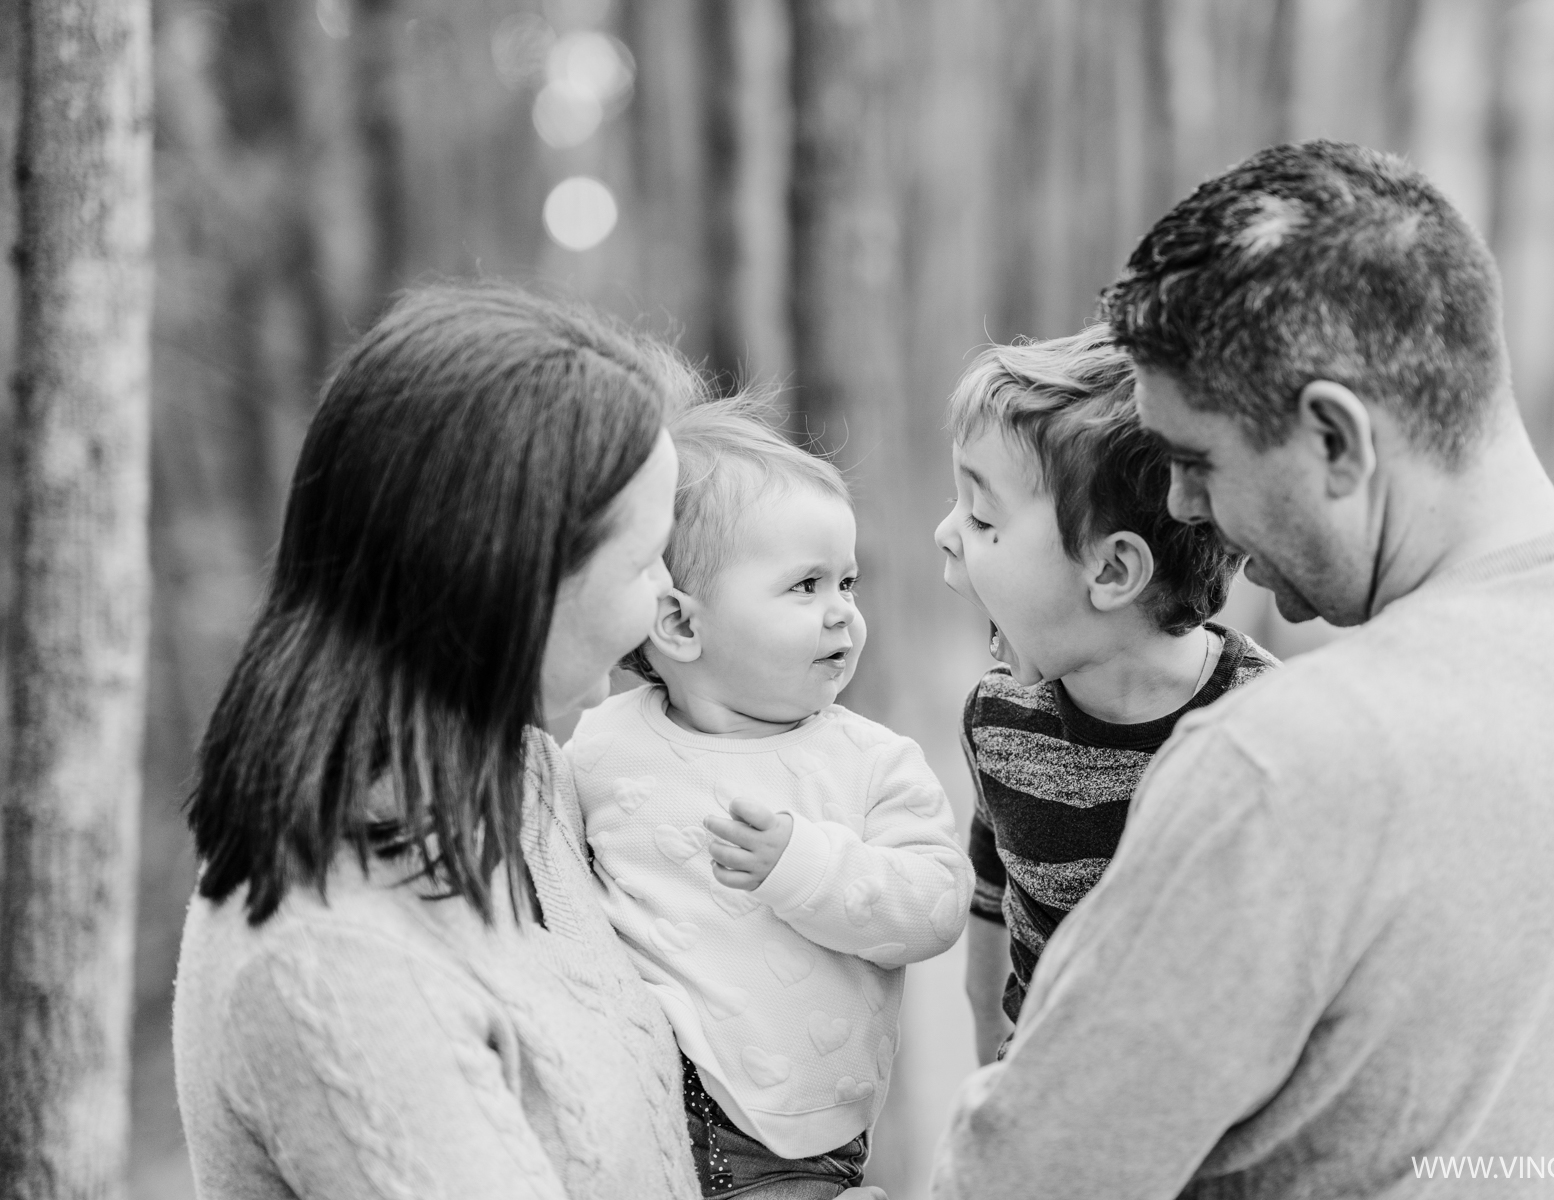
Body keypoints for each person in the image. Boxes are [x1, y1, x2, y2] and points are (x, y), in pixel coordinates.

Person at [933, 141, 1554, 1199]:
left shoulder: (1277, 765)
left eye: (1198, 463)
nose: (1183, 508)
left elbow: (1026, 1178)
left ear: (1334, 437)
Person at [172, 284, 888, 1200]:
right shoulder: (336, 964)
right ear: (515, 580)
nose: (665, 603)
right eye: (644, 563)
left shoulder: (527, 779)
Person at [567, 396, 973, 1198]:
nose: (844, 614)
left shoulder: (867, 762)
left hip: (782, 1146)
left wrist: (808, 868)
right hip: (634, 1106)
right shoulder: (601, 748)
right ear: (681, 626)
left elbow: (935, 905)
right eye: (806, 585)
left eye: (848, 582)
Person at [932, 326, 1276, 1065]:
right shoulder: (998, 720)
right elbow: (994, 887)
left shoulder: (1270, 736)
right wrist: (992, 1062)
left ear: (1113, 570)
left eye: (983, 518)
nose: (946, 534)